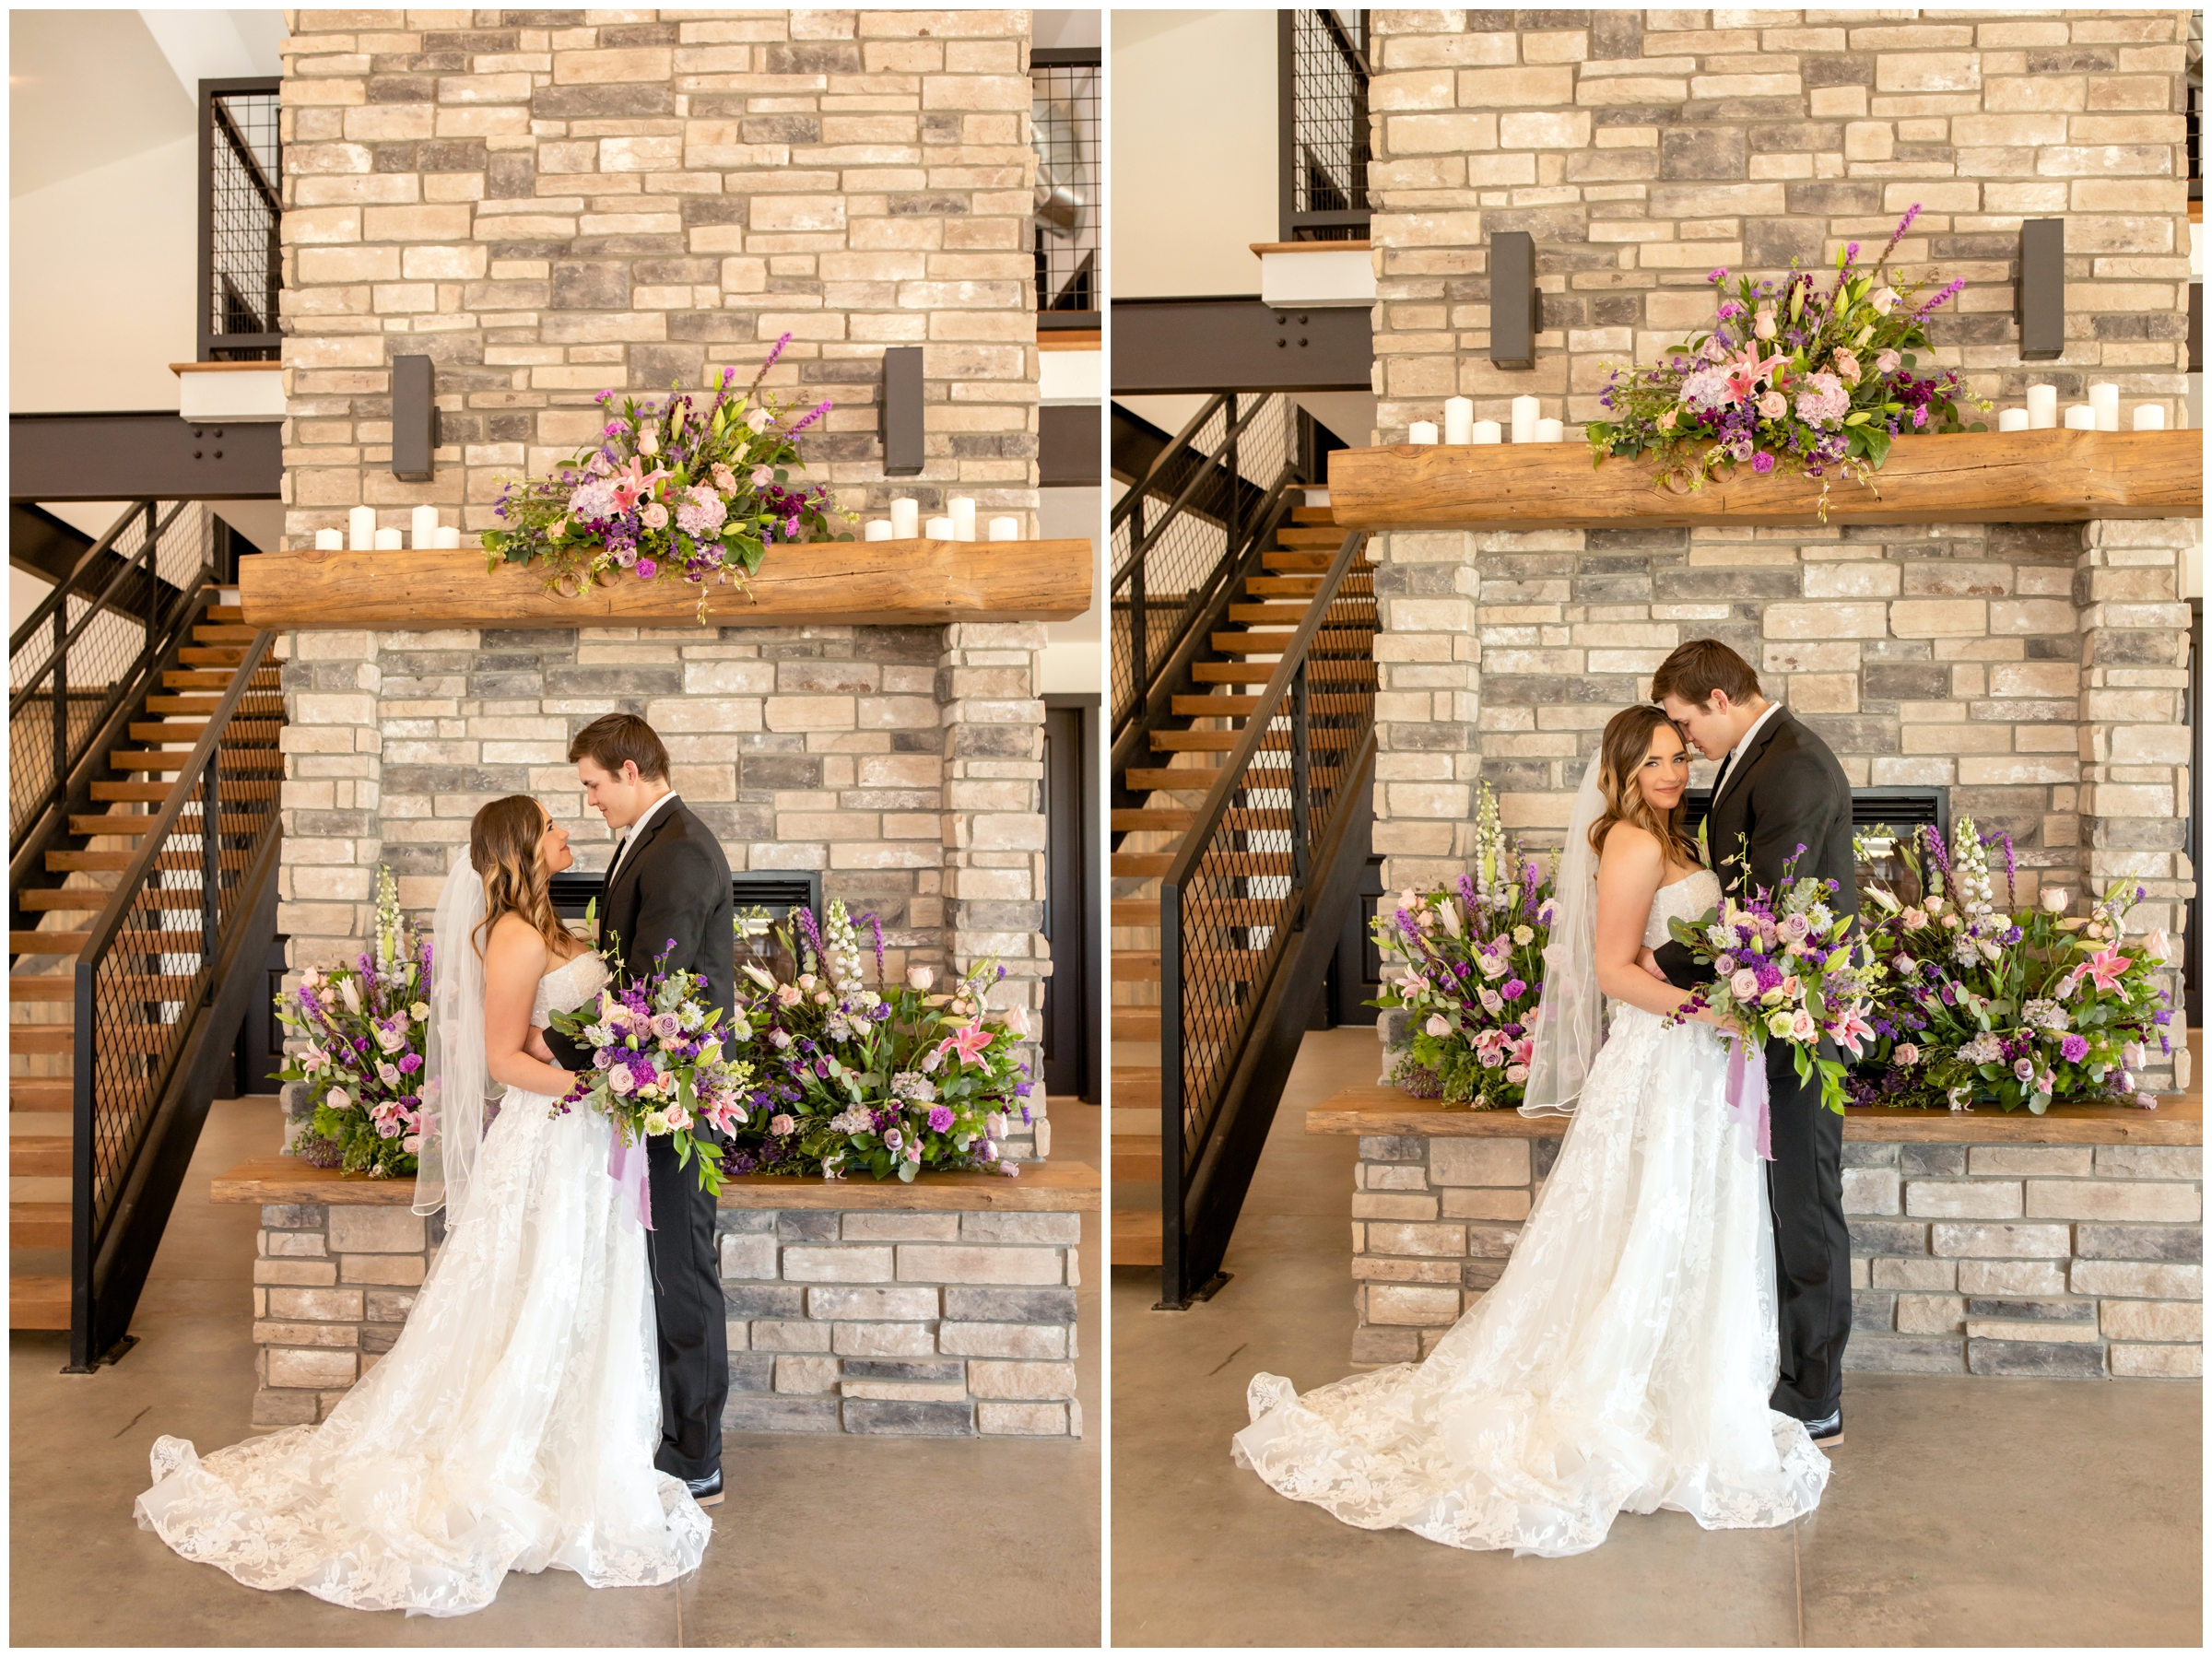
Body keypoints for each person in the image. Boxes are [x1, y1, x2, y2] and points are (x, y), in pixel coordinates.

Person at [1231, 704, 1829, 1556]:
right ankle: (1620, 1386)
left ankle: (1689, 1378)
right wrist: (1716, 1010)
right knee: (1643, 1216)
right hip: (1661, 1059)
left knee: (1690, 1217)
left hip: (1696, 1065)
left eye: (1677, 759)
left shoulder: (1678, 837)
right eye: (1655, 762)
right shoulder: (1629, 840)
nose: (1673, 773)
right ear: (1622, 771)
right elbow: (1614, 972)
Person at [135, 796, 711, 1615]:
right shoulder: (511, 936)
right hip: (548, 1138)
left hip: (583, 1143)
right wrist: (602, 1085)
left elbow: (554, 1033)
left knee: (581, 1291)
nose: (566, 833)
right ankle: (507, 1452)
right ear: (523, 843)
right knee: (532, 1291)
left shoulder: (551, 922)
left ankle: (579, 1444)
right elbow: (505, 1059)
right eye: (553, 822)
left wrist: (621, 1069)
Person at [1646, 638, 1856, 1448]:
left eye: (1682, 720)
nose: (1683, 740)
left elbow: (1762, 906)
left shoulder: (1793, 763)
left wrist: (1651, 965)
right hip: (1760, 1007)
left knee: (1807, 1202)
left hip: (1797, 1017)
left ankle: (1817, 1393)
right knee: (1782, 1199)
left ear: (1719, 699)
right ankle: (1785, 1365)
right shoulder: (1756, 756)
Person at [544, 713, 734, 1508]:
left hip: (671, 1099)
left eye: (591, 784)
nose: (588, 802)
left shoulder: (681, 848)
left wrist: (555, 1050)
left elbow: (653, 992)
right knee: (661, 1269)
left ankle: (698, 1455)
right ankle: (669, 1429)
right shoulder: (650, 840)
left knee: (684, 1272)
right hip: (646, 1087)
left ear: (629, 770)